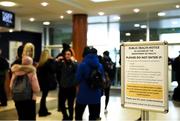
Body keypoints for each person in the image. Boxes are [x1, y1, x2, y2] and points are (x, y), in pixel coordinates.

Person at [75, 47, 104, 120]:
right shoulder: (100, 66)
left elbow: (77, 79)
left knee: (78, 115)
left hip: (83, 94)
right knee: (93, 117)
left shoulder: (82, 65)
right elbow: (102, 79)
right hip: (96, 95)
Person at [10, 56, 40, 120]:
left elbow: (11, 86)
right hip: (29, 98)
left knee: (21, 116)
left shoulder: (15, 71)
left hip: (17, 97)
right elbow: (36, 88)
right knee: (30, 117)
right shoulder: (32, 72)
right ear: (30, 63)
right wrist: (37, 92)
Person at [56, 49, 78, 120]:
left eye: (69, 54)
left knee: (70, 105)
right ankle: (65, 116)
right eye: (66, 54)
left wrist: (74, 61)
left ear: (71, 55)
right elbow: (54, 68)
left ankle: (70, 117)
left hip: (71, 88)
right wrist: (56, 60)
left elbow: (77, 70)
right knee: (61, 104)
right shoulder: (62, 63)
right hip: (63, 87)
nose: (67, 56)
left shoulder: (74, 63)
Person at [37, 49, 57, 116]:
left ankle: (43, 110)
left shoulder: (40, 64)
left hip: (42, 83)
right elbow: (54, 70)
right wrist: (53, 60)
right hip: (47, 83)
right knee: (44, 97)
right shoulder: (48, 63)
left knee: (43, 97)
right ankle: (42, 111)